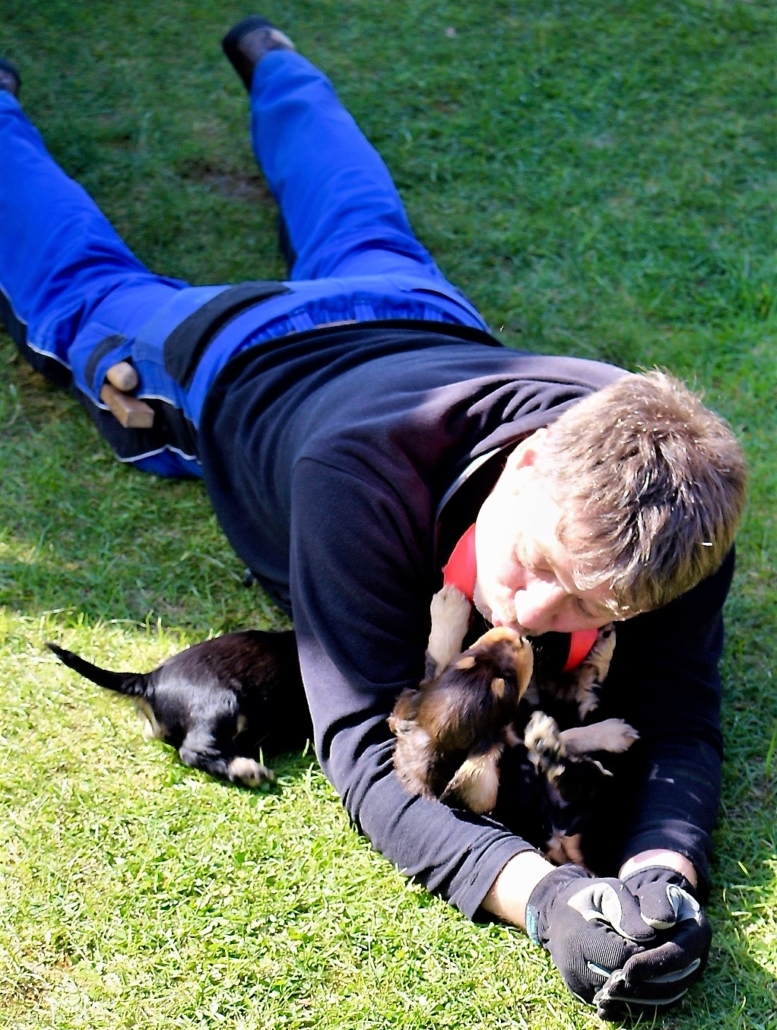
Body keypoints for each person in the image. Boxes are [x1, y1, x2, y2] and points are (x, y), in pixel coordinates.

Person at [0, 19, 746, 1018]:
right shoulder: (354, 483)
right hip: (235, 354)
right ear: (529, 460)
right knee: (80, 284)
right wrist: (544, 901)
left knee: (359, 214)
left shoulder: (676, 506)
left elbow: (683, 713)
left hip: (417, 308)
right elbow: (364, 749)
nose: (530, 616)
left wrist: (663, 872)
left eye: (589, 607)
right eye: (534, 564)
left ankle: (274, 56)